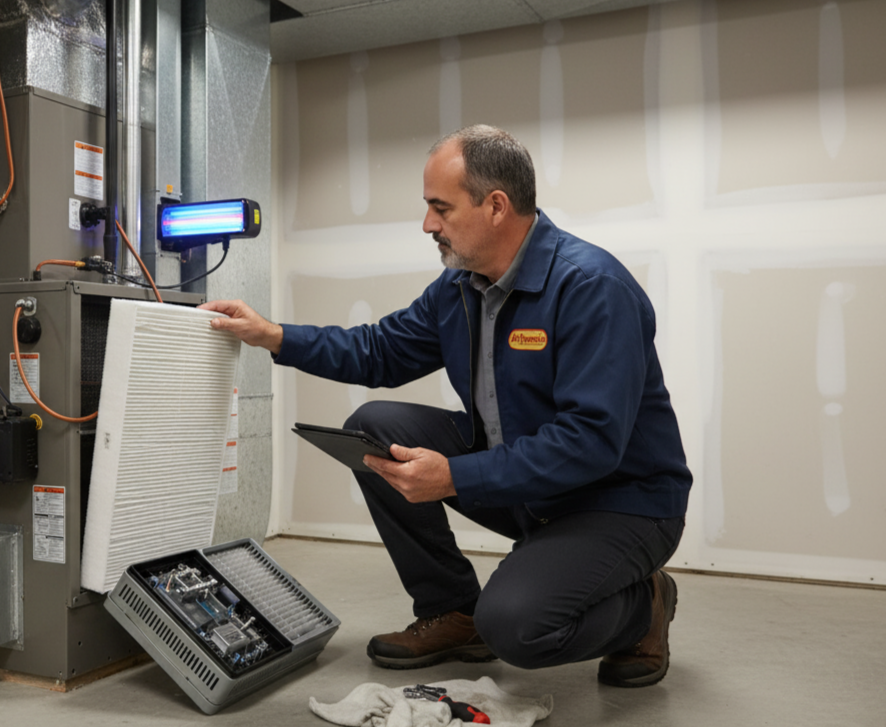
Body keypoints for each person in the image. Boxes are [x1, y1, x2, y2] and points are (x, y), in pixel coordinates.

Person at [200, 125, 692, 688]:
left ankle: (645, 605)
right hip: (532, 485)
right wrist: (274, 335)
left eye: (440, 207)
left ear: (496, 206)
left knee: (516, 627)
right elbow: (378, 350)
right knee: (374, 429)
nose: (428, 224)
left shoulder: (591, 288)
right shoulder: (461, 286)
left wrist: (454, 475)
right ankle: (454, 610)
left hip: (620, 502)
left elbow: (591, 442)